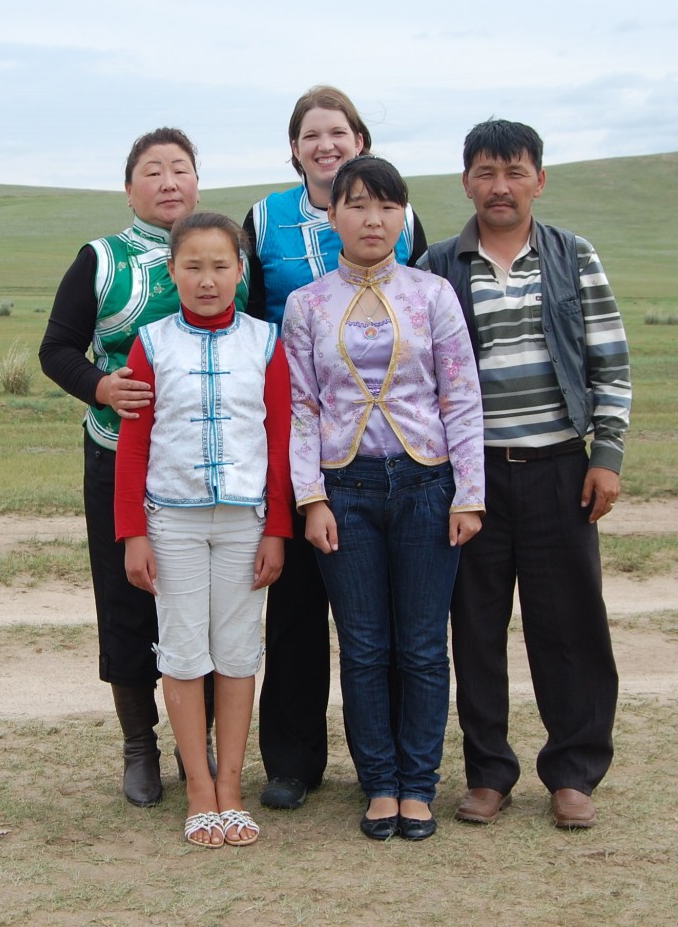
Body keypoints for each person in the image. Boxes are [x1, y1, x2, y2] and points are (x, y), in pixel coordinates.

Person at [422, 119, 631, 829]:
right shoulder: (438, 265)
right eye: (485, 172)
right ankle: (489, 773)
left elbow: (610, 359)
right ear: (466, 182)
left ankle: (573, 773)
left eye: (514, 172)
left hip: (561, 472)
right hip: (472, 479)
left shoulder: (574, 256)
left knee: (568, 625)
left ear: (539, 179)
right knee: (474, 626)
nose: (500, 186)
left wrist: (607, 455)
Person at [39, 129, 247, 806]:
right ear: (129, 189)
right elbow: (57, 348)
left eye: (180, 170)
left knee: (213, 610)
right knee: (128, 602)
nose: (167, 182)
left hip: (211, 471)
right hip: (117, 455)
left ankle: (206, 749)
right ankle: (140, 747)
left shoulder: (222, 252)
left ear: (197, 183)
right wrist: (100, 386)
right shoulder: (102, 260)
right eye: (151, 172)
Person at [282, 156, 485, 840]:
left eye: (387, 206)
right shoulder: (305, 304)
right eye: (358, 205)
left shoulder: (432, 295)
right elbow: (303, 408)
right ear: (332, 214)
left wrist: (469, 495)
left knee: (425, 647)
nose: (374, 220)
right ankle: (379, 784)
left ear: (403, 217)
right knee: (364, 646)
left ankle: (419, 784)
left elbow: (461, 395)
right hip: (347, 491)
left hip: (428, 485)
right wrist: (310, 498)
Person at [244, 85, 428, 811]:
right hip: (292, 427)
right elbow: (253, 310)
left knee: (379, 614)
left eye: (339, 132)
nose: (326, 144)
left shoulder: (396, 209)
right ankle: (292, 762)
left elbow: (421, 299)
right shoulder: (264, 218)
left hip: (384, 442)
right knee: (294, 606)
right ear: (294, 149)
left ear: (361, 140)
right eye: (312, 134)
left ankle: (382, 769)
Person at [114, 211, 292, 847]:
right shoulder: (152, 342)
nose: (208, 279)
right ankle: (197, 787)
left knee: (239, 650)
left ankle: (232, 788)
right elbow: (133, 444)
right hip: (173, 521)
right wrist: (133, 531)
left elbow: (279, 438)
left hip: (246, 521)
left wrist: (277, 527)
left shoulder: (266, 342)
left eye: (221, 266)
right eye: (193, 266)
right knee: (185, 653)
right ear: (173, 272)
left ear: (241, 272)